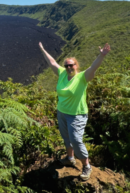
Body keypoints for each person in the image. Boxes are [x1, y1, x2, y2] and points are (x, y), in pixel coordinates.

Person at [38, 42, 110, 181]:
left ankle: (86, 166)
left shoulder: (83, 77)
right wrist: (42, 49)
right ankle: (70, 158)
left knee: (76, 140)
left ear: (76, 66)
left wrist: (102, 55)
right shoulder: (62, 74)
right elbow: (52, 62)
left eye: (71, 65)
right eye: (66, 65)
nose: (69, 67)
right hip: (62, 112)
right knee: (66, 138)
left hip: (77, 115)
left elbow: (93, 67)